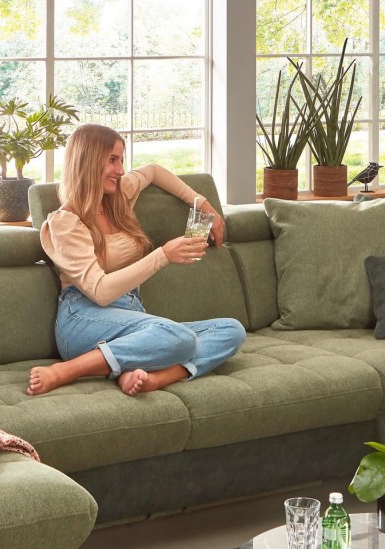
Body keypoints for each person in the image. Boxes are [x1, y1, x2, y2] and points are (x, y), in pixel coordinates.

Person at [30, 125, 246, 397]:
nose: (121, 170)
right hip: (84, 317)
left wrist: (204, 205)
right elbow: (100, 292)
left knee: (231, 330)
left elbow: (154, 171)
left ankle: (154, 377)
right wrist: (163, 255)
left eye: (121, 159)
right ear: (87, 161)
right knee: (178, 337)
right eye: (112, 160)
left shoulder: (119, 196)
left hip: (131, 314)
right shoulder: (65, 223)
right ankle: (66, 370)